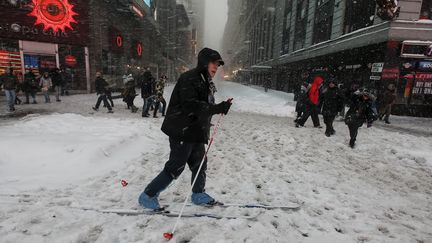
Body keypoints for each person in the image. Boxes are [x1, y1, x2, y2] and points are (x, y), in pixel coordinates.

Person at [138, 48, 232, 210]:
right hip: (181, 130)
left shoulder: (205, 81)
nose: (216, 67)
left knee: (200, 163)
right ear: (204, 62)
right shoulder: (189, 78)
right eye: (213, 63)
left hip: (195, 131)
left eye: (218, 65)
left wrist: (220, 108)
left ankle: (198, 193)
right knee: (176, 166)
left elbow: (205, 106)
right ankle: (148, 195)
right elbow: (191, 105)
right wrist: (217, 108)